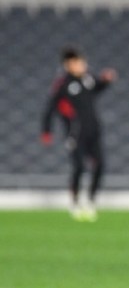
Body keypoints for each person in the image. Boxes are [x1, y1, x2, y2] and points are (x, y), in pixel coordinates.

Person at [41, 47, 117, 222]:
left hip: (94, 130)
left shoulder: (88, 79)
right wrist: (46, 130)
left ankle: (90, 201)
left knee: (100, 165)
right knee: (79, 167)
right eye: (79, 62)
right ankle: (75, 202)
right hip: (76, 133)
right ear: (69, 64)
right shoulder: (63, 85)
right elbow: (50, 108)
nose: (83, 65)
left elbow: (97, 87)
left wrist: (106, 80)